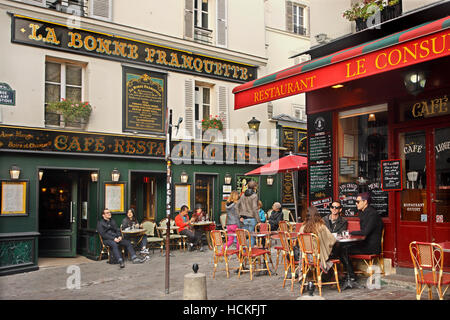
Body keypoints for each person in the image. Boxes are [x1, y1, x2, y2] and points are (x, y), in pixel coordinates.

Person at [340, 192, 383, 289]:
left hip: (371, 247)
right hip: (365, 244)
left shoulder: (372, 214)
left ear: (365, 202)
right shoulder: (364, 213)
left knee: (343, 250)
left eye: (358, 201)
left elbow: (365, 232)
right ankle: (350, 276)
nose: (356, 203)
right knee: (343, 248)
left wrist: (349, 232)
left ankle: (351, 277)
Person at [299, 206, 338, 273]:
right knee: (336, 252)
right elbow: (332, 240)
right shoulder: (321, 227)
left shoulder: (302, 227)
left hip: (306, 257)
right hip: (318, 257)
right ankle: (330, 276)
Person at [236, 180, 260, 246]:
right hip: (252, 218)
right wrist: (258, 220)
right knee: (252, 236)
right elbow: (255, 208)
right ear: (254, 187)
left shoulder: (243, 195)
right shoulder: (254, 196)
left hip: (244, 219)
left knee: (244, 236)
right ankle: (250, 253)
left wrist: (240, 216)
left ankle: (244, 252)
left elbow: (236, 206)